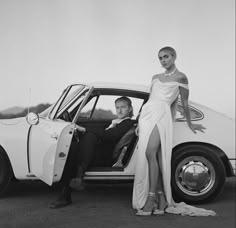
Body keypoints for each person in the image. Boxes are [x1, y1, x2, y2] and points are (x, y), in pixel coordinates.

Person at [133, 46, 216, 216]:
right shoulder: (155, 77)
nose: (163, 60)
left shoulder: (181, 77)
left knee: (150, 152)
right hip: (147, 115)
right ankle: (161, 198)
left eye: (166, 57)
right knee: (153, 155)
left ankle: (151, 199)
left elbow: (183, 103)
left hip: (161, 114)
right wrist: (138, 122)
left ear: (174, 56)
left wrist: (190, 123)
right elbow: (150, 98)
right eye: (160, 58)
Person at [50, 96, 134, 208]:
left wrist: (85, 129)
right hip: (101, 151)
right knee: (73, 150)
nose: (119, 110)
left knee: (87, 138)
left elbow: (110, 135)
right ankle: (73, 183)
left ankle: (72, 185)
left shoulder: (127, 123)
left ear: (130, 109)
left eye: (123, 107)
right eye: (117, 107)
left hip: (106, 156)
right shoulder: (117, 122)